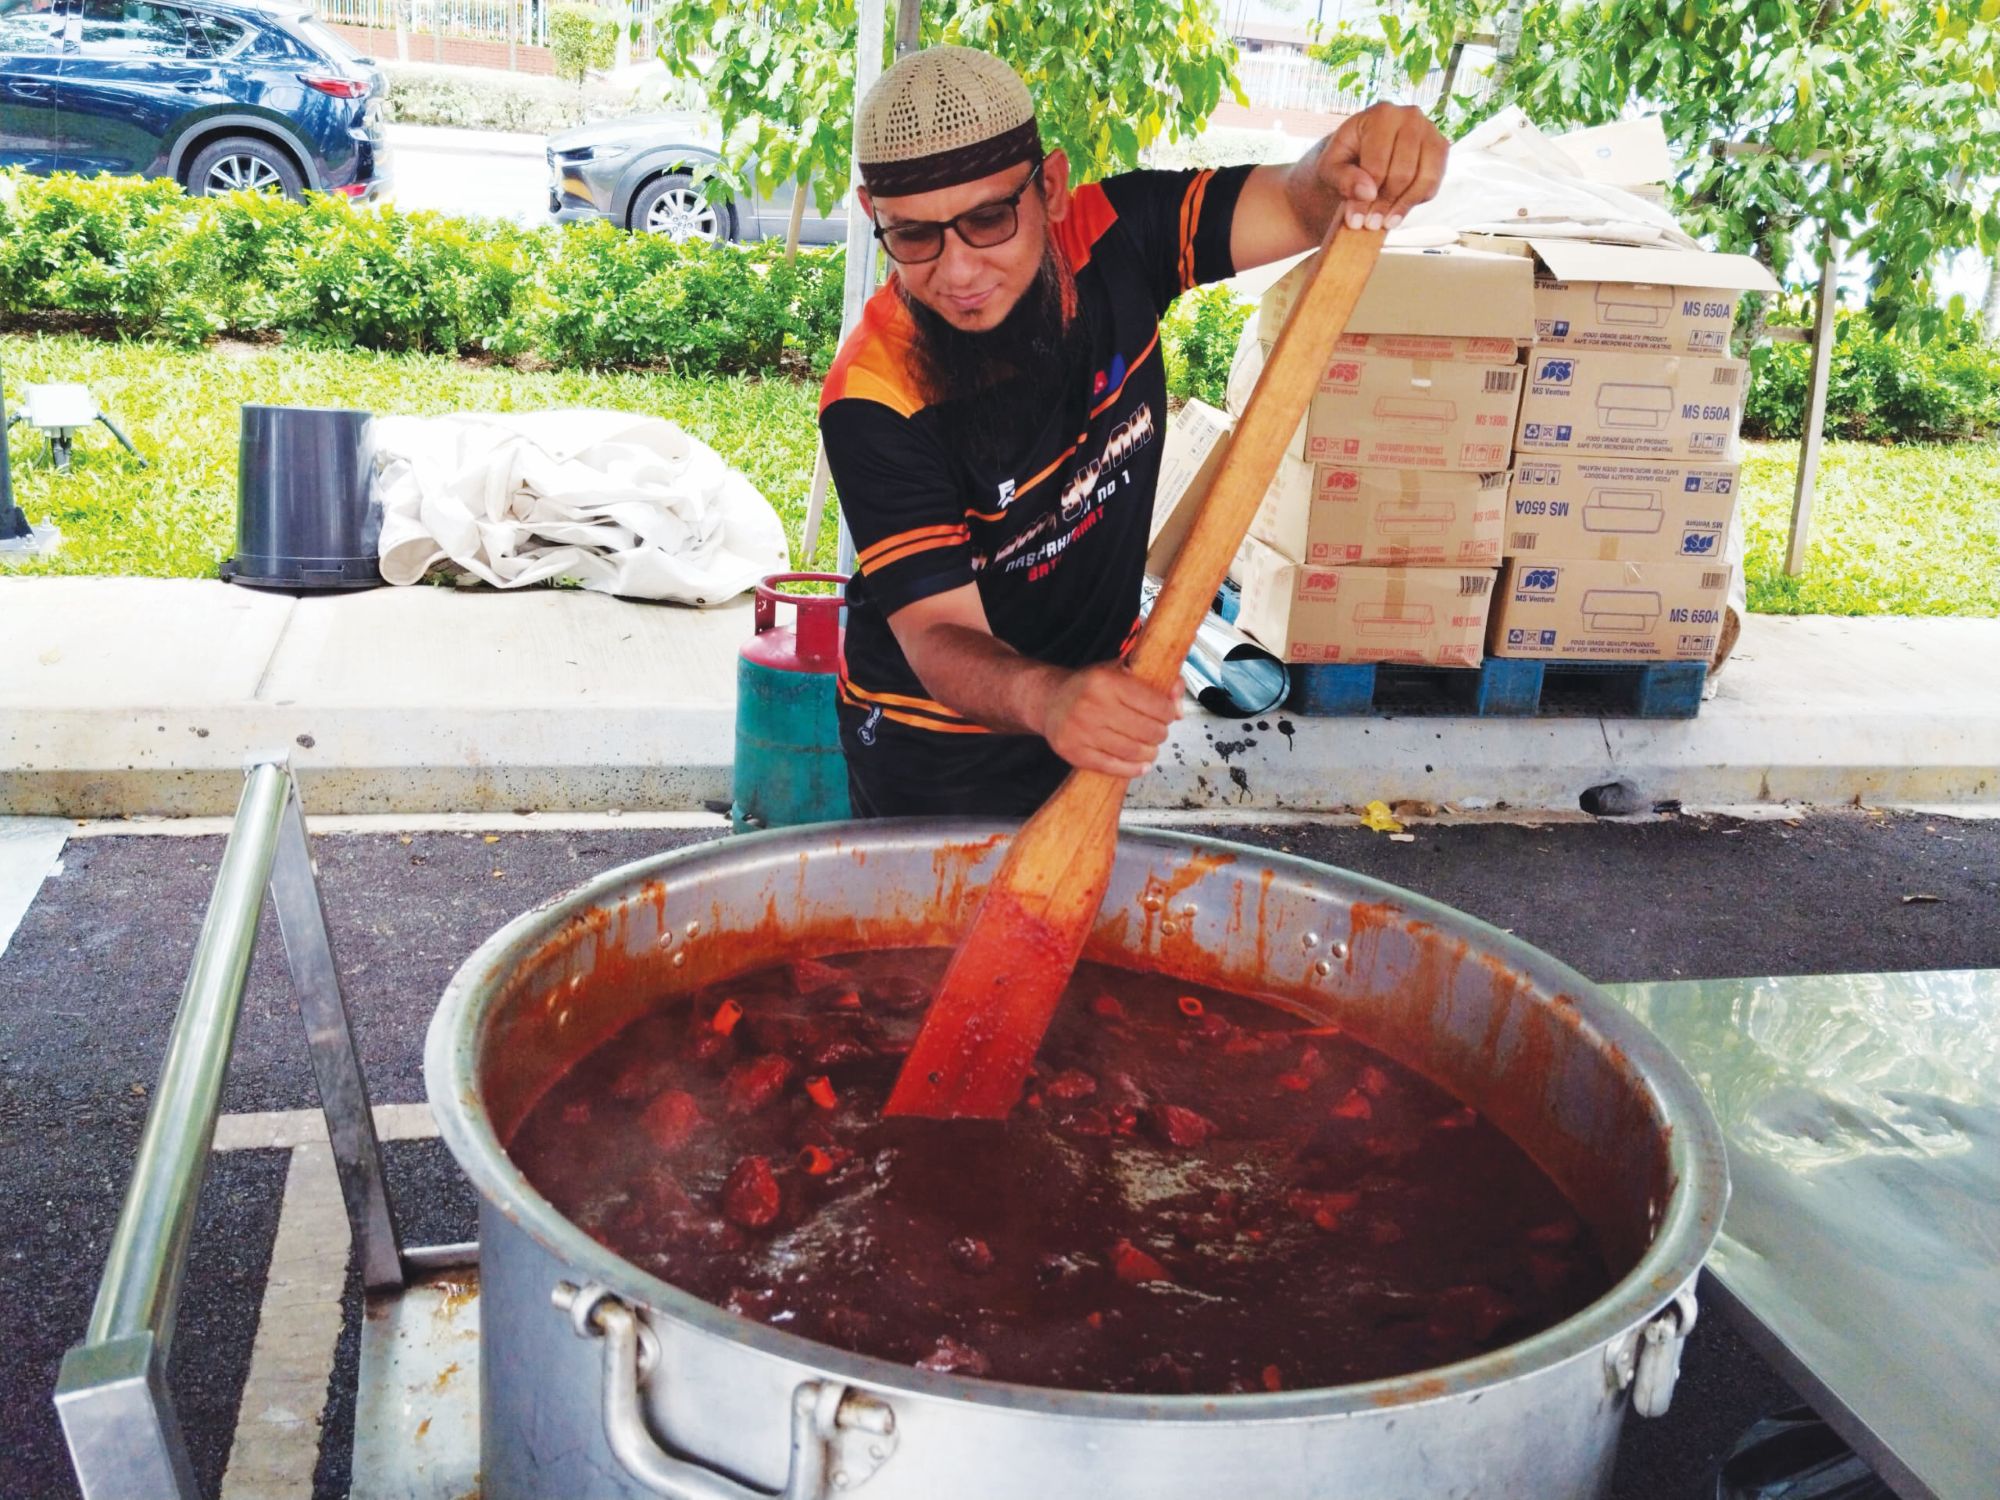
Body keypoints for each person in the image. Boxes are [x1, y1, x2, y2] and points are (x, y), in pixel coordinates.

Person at [820, 45, 1447, 819]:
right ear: (871, 216)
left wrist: (1349, 162)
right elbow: (938, 637)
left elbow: (1296, 201)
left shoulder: (1115, 236)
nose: (957, 271)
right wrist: (1051, 700)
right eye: (914, 236)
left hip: (1090, 710)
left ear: (1049, 188)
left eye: (988, 219)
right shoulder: (874, 394)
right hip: (931, 745)